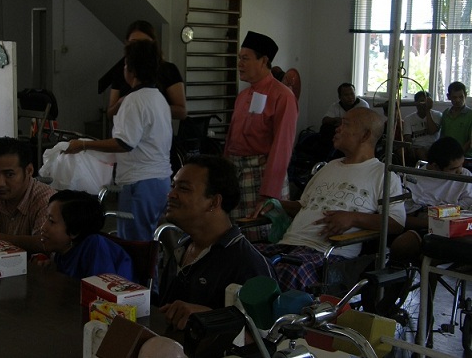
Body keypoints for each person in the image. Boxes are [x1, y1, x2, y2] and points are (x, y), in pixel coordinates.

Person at [255, 107, 406, 292]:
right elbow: (304, 206)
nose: (338, 128)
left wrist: (353, 218)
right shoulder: (329, 167)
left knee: (284, 272)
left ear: (365, 135)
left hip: (327, 253)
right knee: (242, 257)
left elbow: (397, 222)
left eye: (346, 124)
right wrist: (276, 204)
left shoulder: (383, 175)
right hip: (289, 244)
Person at [66, 40, 172, 241]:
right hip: (161, 182)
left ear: (132, 70)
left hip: (139, 183)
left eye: (125, 64)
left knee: (134, 245)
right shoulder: (159, 98)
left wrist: (84, 145)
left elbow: (124, 143)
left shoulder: (134, 100)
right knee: (152, 241)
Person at [158, 155, 275, 331]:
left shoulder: (249, 265)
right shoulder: (182, 248)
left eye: (183, 188)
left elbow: (266, 337)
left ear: (213, 202)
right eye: (173, 186)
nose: (171, 194)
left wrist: (211, 317)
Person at [224, 31, 298, 243]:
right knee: (234, 238)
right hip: (236, 174)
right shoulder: (243, 95)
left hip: (263, 177)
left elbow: (282, 148)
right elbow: (231, 140)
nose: (239, 64)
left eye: (245, 58)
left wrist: (269, 194)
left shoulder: (283, 95)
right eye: (239, 58)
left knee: (259, 239)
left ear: (264, 61)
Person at [390, 136, 472, 266]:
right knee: (404, 245)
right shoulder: (412, 181)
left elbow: (466, 207)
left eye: (461, 165)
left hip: (456, 225)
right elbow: (402, 218)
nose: (460, 171)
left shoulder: (465, 177)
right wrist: (432, 223)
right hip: (425, 225)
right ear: (434, 166)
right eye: (453, 169)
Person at [38, 190, 134, 281]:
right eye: (46, 218)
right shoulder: (62, 251)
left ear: (75, 231)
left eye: (51, 221)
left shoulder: (94, 247)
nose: (42, 227)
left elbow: (99, 289)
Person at [108, 20, 187, 120]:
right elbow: (110, 114)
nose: (139, 48)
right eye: (134, 43)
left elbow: (182, 112)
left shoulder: (168, 70)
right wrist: (123, 102)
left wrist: (151, 105)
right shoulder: (121, 71)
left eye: (144, 43)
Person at [427, 81, 472, 157]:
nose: (458, 100)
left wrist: (458, 156)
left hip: (465, 157)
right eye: (454, 97)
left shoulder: (470, 115)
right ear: (448, 96)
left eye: (461, 97)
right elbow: (442, 136)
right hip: (447, 156)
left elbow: (470, 141)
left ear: (465, 95)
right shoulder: (446, 113)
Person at [402, 91, 442, 164]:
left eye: (427, 101)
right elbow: (407, 137)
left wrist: (427, 111)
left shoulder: (438, 115)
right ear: (416, 103)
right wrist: (411, 148)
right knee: (419, 152)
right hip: (417, 147)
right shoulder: (408, 119)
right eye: (422, 101)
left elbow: (432, 131)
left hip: (434, 147)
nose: (424, 104)